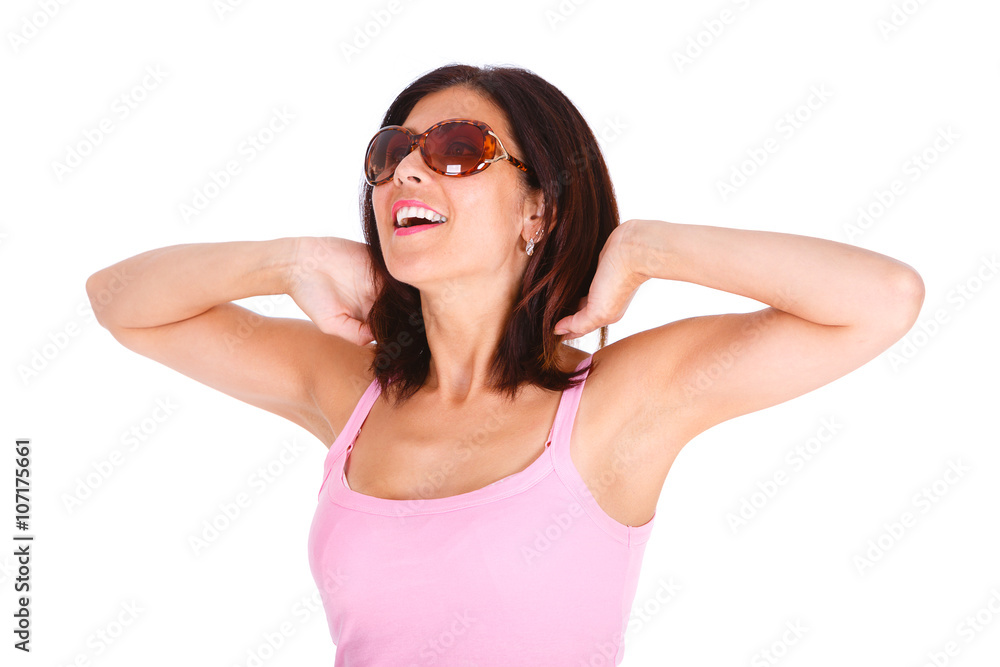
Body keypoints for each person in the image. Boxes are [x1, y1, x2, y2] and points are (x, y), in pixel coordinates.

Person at [85, 63, 925, 665]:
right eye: (392, 152)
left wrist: (647, 247)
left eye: (458, 148)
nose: (409, 167)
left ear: (538, 209)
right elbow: (117, 299)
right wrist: (286, 260)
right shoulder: (351, 391)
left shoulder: (618, 403)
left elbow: (883, 296)